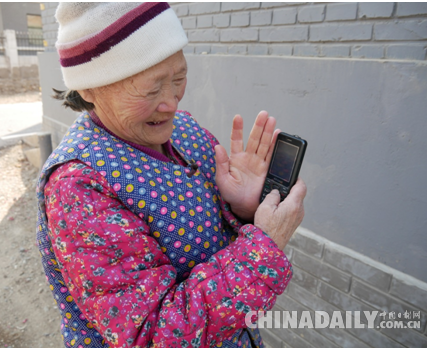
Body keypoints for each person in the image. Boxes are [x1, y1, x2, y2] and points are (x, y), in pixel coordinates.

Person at [36, 2, 307, 348]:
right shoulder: (78, 187)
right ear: (88, 90)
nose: (172, 103)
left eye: (179, 78)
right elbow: (151, 335)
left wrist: (243, 210)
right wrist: (262, 249)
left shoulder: (183, 130)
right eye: (151, 89)